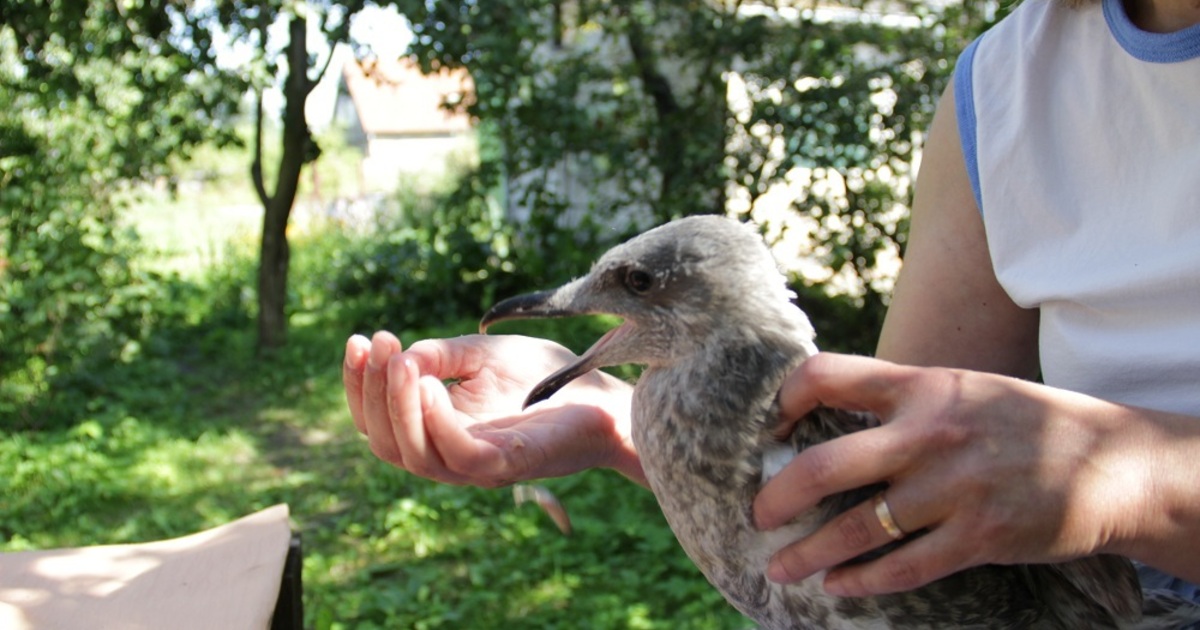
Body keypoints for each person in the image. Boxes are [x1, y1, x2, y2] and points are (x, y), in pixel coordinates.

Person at [344, 0, 1200, 609]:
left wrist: (1120, 481)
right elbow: (889, 494)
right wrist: (620, 416)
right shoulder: (1006, 82)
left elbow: (1027, 493)